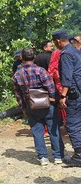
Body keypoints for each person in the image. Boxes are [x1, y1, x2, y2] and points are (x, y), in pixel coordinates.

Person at [13, 48, 64, 166]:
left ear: (22, 58)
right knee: (53, 130)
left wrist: (23, 108)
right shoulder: (40, 70)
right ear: (34, 57)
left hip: (30, 105)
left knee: (37, 132)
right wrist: (53, 99)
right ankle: (58, 156)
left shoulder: (17, 74)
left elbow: (18, 94)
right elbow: (50, 86)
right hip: (47, 104)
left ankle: (43, 158)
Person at [52, 30, 81, 166]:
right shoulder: (76, 50)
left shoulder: (66, 54)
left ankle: (79, 156)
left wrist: (63, 96)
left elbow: (67, 77)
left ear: (58, 41)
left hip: (74, 94)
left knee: (72, 124)